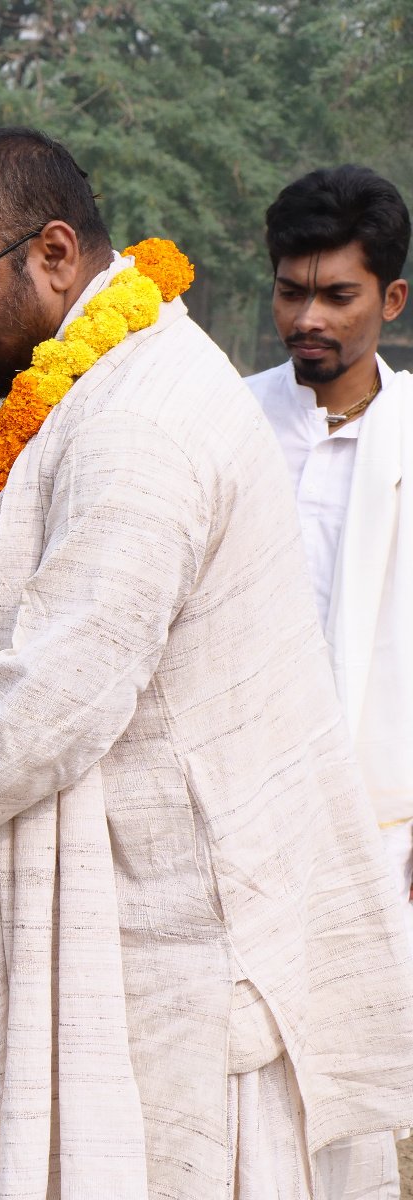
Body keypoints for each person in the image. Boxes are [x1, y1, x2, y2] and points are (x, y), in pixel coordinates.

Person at [0, 127, 413, 1198]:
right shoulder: (114, 388)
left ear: (53, 253)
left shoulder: (139, 420)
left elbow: (44, 705)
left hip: (183, 939)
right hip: (156, 914)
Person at [245, 167, 413, 949]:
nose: (306, 318)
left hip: (384, 817)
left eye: (338, 297)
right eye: (289, 293)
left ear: (392, 300)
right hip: (238, 799)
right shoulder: (225, 420)